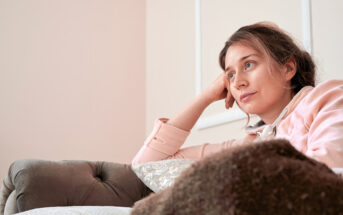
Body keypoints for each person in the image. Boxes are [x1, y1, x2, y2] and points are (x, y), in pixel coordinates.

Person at [132, 22, 343, 168]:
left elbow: (327, 175)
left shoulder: (325, 100)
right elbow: (147, 165)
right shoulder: (249, 145)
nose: (239, 82)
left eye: (248, 64)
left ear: (288, 68)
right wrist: (205, 97)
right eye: (230, 75)